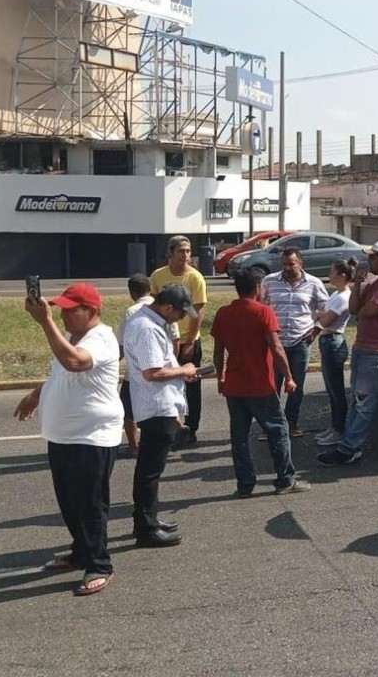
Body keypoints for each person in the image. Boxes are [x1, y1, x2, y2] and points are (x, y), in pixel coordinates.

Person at [14, 283, 124, 596]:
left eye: (69, 310)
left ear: (91, 311)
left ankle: (100, 564)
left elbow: (74, 362)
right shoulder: (74, 338)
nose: (62, 315)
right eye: (59, 310)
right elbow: (60, 373)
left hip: (91, 437)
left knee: (90, 504)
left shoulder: (101, 339)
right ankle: (81, 552)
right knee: (70, 502)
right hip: (63, 436)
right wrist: (36, 394)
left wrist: (44, 322)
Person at [211, 269, 310, 497]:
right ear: (257, 288)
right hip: (260, 385)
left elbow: (218, 352)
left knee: (239, 437)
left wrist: (220, 377)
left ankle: (245, 484)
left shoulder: (223, 313)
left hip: (235, 386)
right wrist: (289, 377)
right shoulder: (263, 312)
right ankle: (285, 479)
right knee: (279, 430)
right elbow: (276, 348)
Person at [317, 241, 378, 467]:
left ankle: (349, 448)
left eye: (373, 258)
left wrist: (362, 296)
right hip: (364, 347)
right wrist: (358, 285)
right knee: (356, 400)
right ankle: (348, 443)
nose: (368, 262)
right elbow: (355, 308)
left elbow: (367, 311)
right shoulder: (377, 281)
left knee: (365, 402)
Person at [122, 283, 200, 548]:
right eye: (180, 313)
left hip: (157, 405)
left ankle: (149, 519)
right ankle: (146, 527)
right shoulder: (146, 328)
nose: (181, 318)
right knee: (149, 471)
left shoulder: (149, 322)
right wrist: (185, 370)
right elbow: (152, 372)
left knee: (151, 469)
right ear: (167, 308)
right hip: (155, 406)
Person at [261, 247, 329, 438]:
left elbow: (327, 309)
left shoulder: (314, 284)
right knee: (272, 385)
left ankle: (291, 422)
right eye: (284, 264)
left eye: (291, 264)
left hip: (301, 341)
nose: (287, 268)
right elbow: (261, 307)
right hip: (275, 343)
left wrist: (316, 329)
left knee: (296, 385)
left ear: (301, 264)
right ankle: (273, 425)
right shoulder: (269, 281)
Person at [149, 235, 207, 447]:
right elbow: (153, 304)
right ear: (170, 253)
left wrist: (190, 341)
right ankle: (171, 425)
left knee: (191, 385)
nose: (186, 255)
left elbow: (198, 311)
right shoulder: (158, 275)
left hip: (188, 340)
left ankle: (191, 428)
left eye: (189, 251)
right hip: (163, 340)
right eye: (181, 251)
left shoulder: (195, 278)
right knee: (167, 384)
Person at [314, 258, 357, 448]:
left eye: (332, 272)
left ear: (343, 276)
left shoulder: (344, 297)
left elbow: (326, 320)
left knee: (337, 390)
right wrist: (320, 314)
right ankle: (334, 428)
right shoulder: (336, 294)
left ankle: (340, 430)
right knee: (331, 391)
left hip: (333, 342)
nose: (329, 275)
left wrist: (319, 315)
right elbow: (321, 312)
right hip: (327, 342)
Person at [118, 274, 155, 458]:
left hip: (135, 371)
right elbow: (175, 338)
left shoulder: (132, 311)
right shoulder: (161, 308)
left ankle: (134, 446)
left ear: (132, 292)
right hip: (158, 368)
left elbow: (122, 345)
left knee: (128, 410)